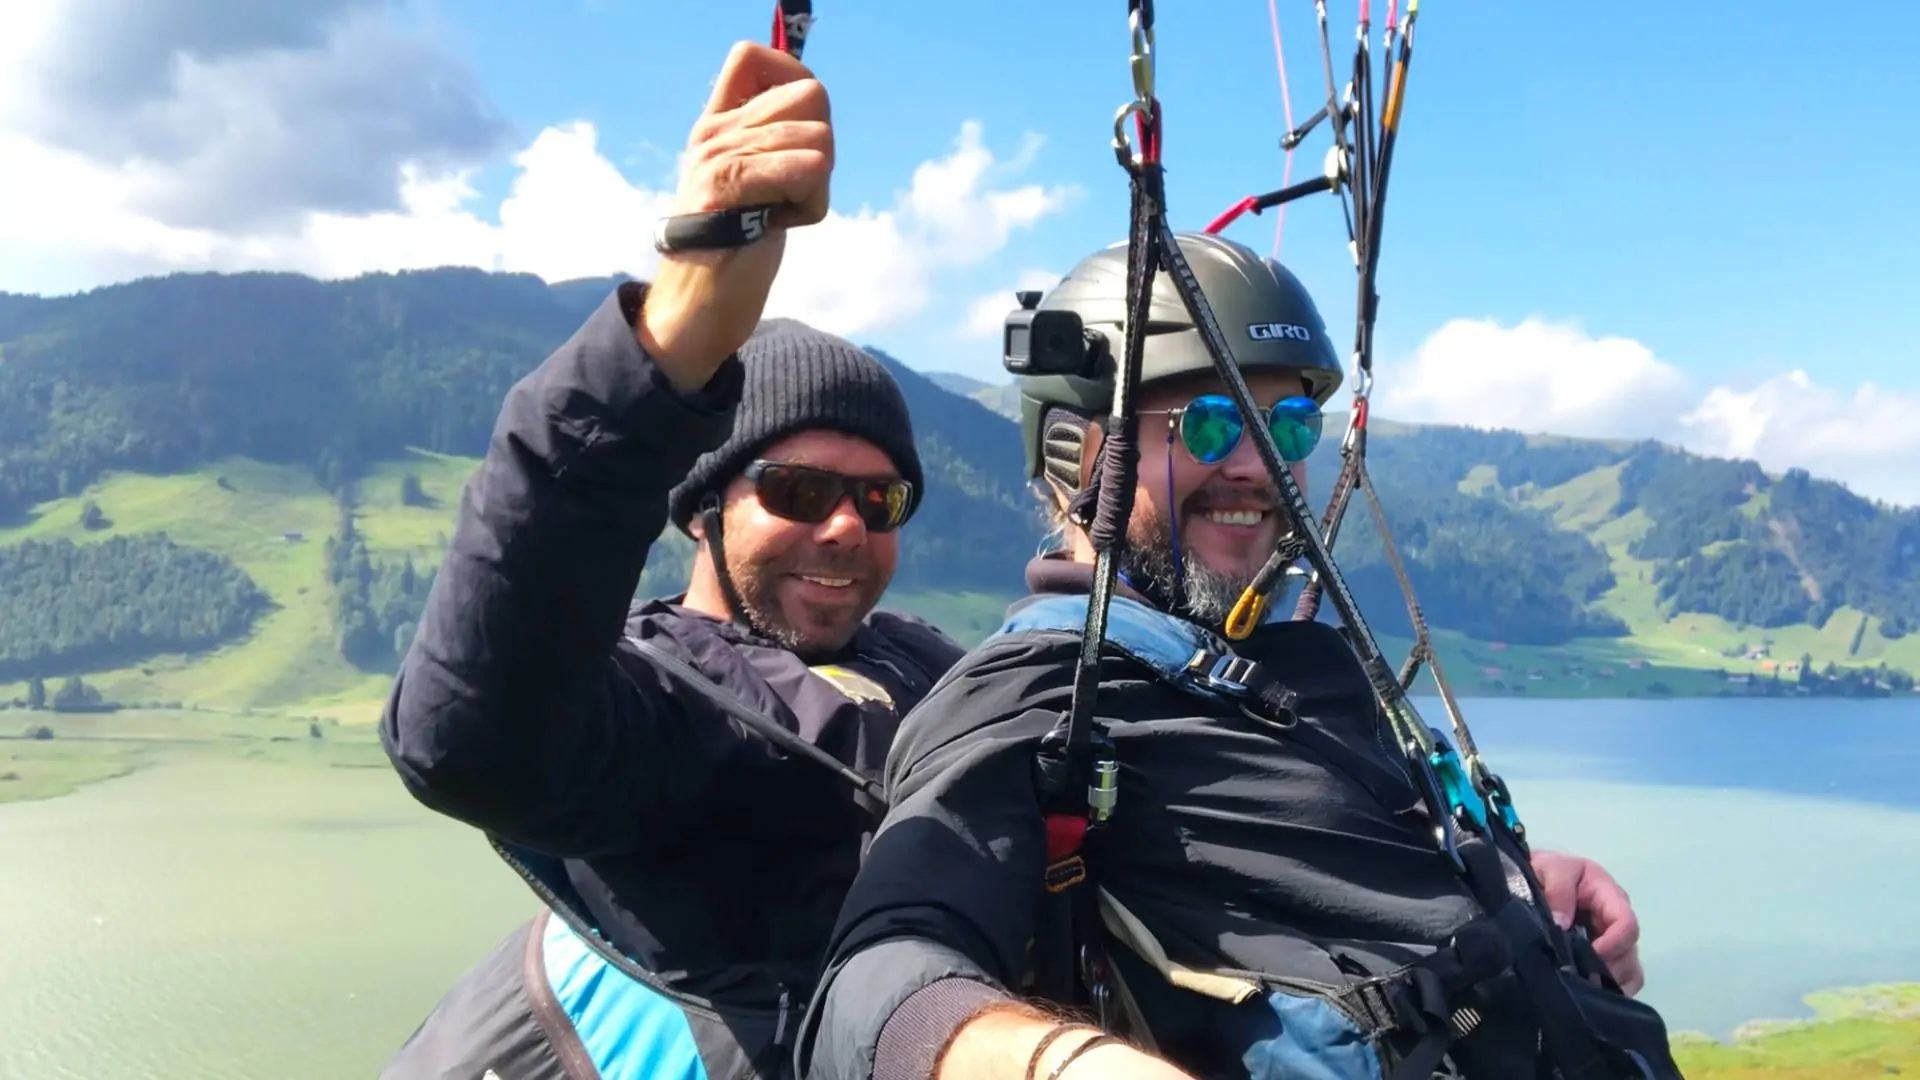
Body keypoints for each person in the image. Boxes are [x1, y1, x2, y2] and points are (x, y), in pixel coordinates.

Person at [796, 232, 1682, 1080]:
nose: (1259, 466)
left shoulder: (1291, 667)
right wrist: (1060, 1065)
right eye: (1211, 424)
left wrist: (1521, 893)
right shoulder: (1034, 694)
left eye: (1290, 425)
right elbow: (874, 990)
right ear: (1078, 447)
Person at [375, 41, 966, 1080]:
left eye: (879, 500)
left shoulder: (918, 657)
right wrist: (675, 335)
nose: (844, 530)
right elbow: (468, 736)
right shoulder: (661, 693)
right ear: (701, 508)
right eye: (795, 491)